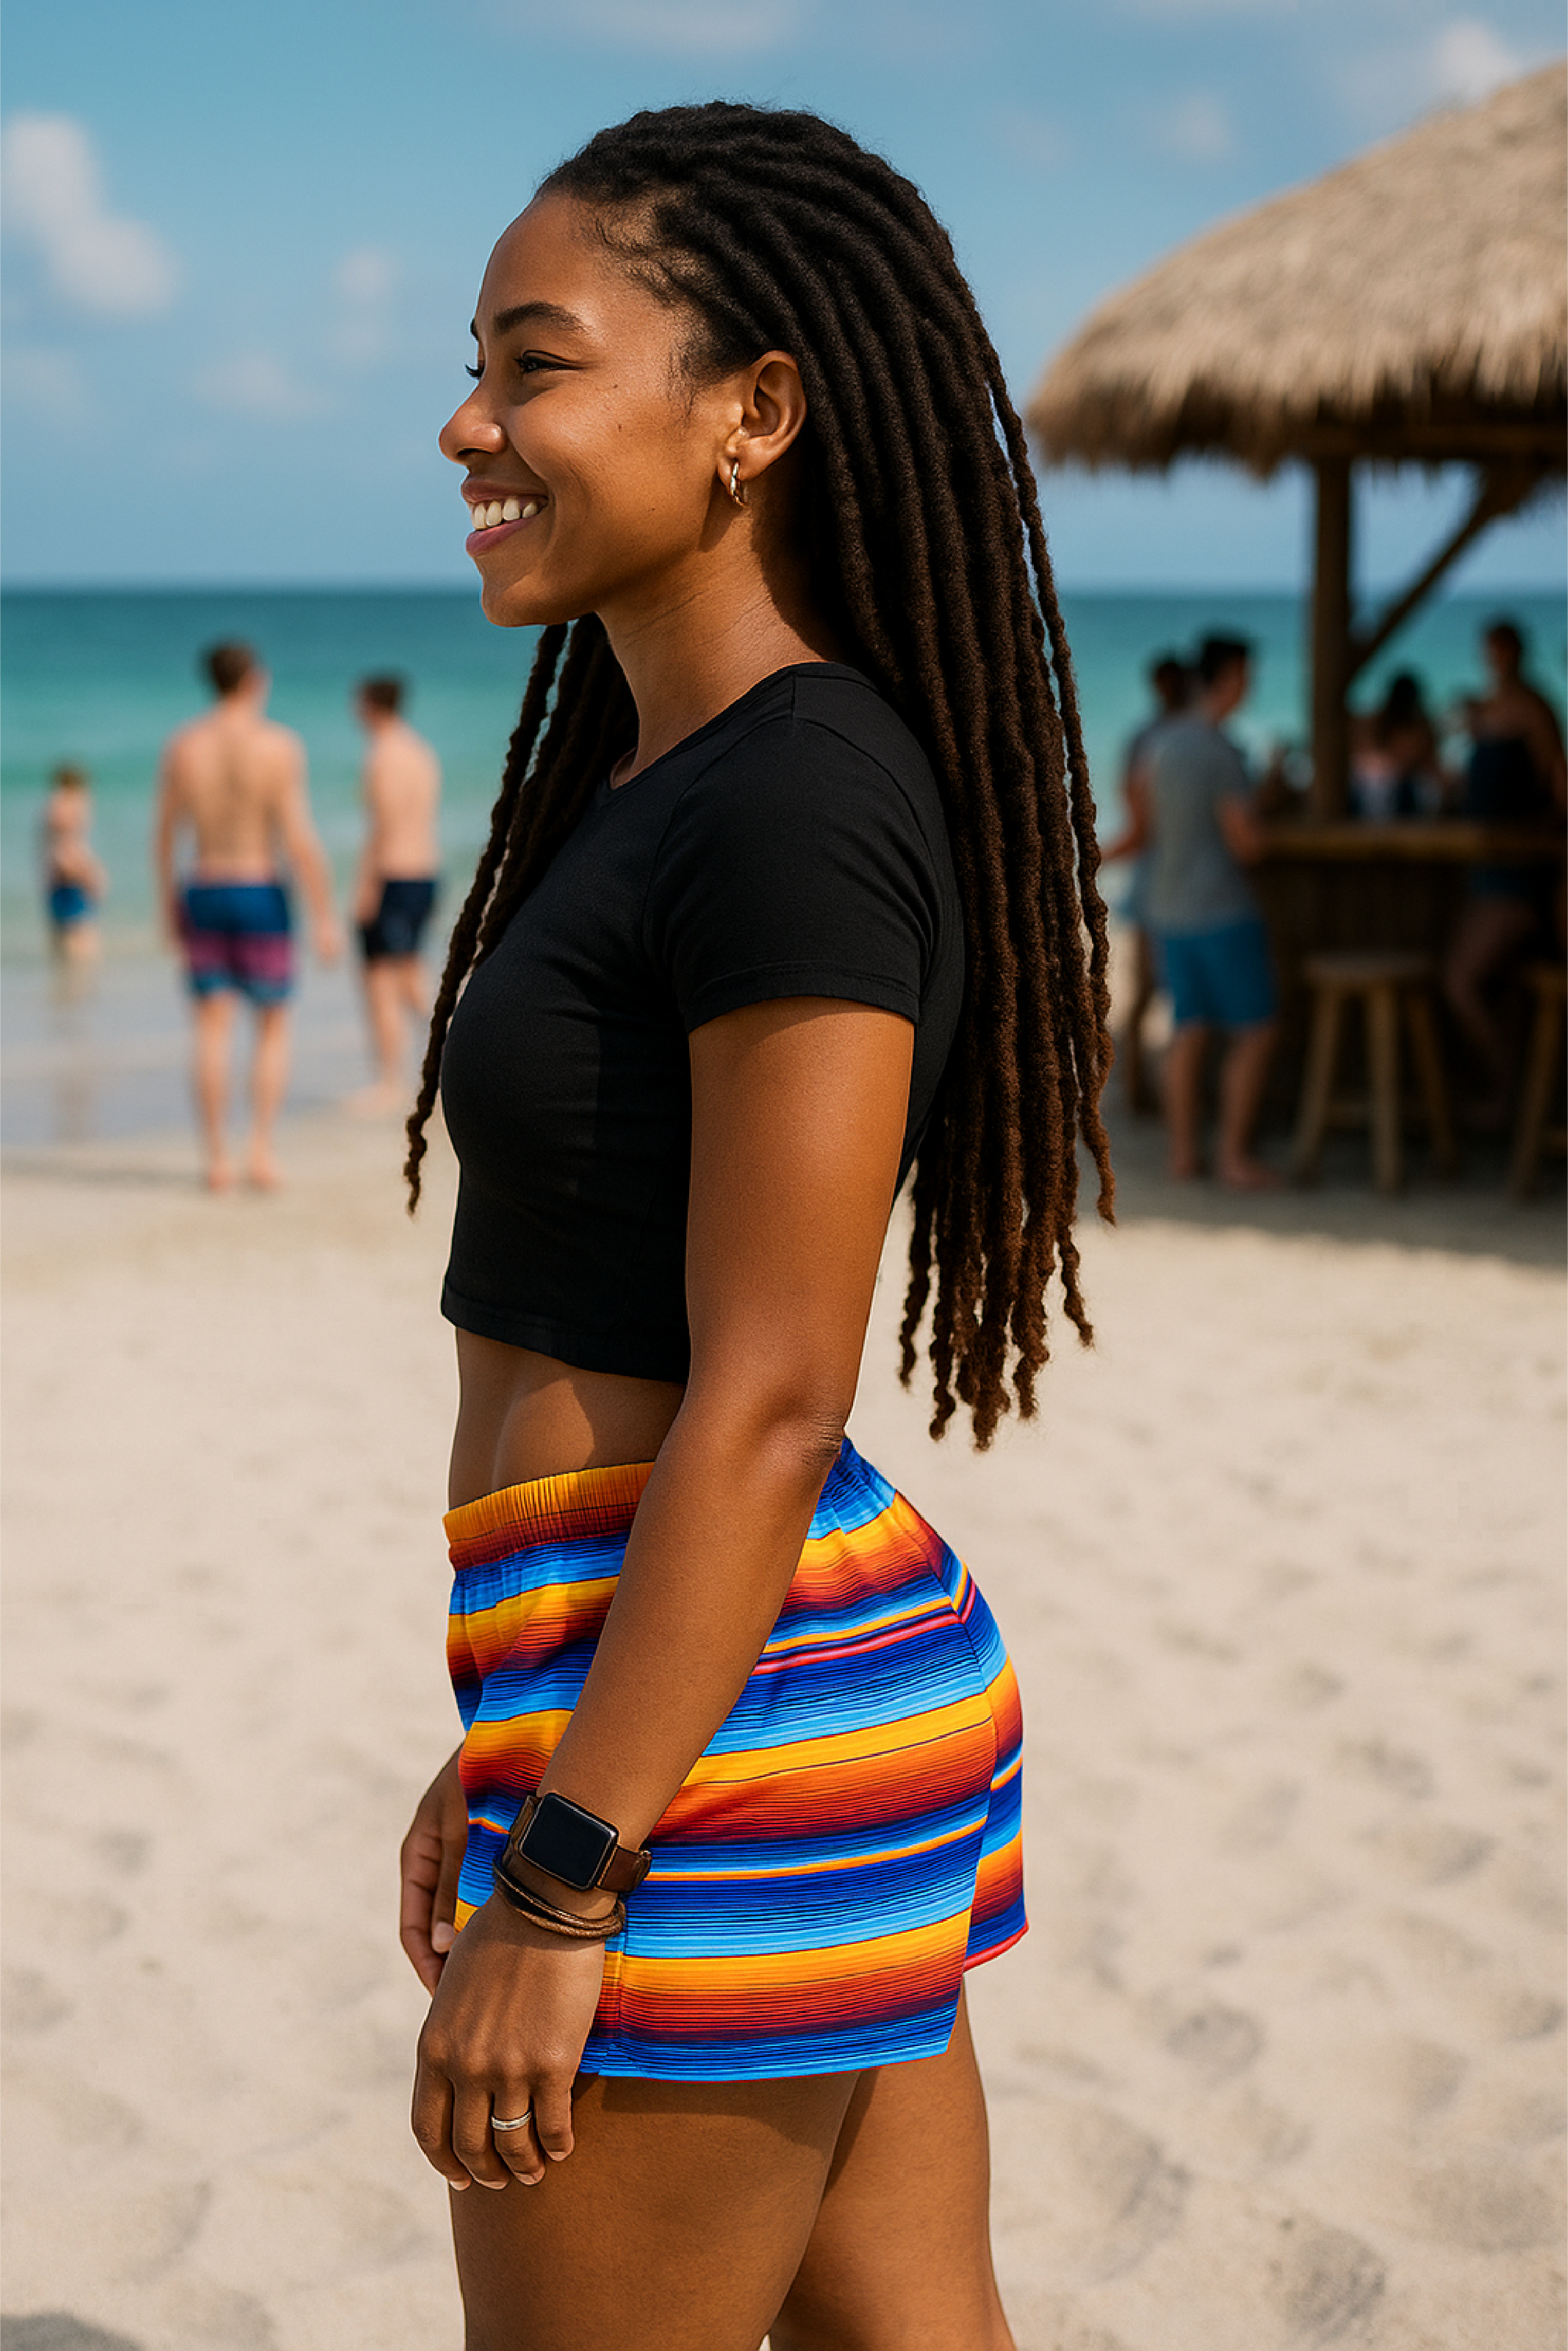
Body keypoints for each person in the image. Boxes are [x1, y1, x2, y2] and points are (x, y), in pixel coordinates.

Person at [394, 101, 1113, 2351]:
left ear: (753, 415)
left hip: (721, 1733)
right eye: (473, 370)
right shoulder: (675, 775)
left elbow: (779, 1387)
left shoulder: (794, 793)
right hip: (710, 1674)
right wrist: (512, 1728)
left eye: (534, 365)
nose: (470, 424)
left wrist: (564, 1869)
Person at [154, 640, 341, 1191]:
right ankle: (260, 1150)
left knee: (211, 1027)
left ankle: (216, 1159)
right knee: (272, 1025)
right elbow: (299, 838)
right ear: (255, 679)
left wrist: (167, 902)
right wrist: (324, 914)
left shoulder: (184, 745)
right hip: (260, 890)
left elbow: (165, 835)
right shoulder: (279, 745)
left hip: (205, 887)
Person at [1130, 633, 1279, 1187]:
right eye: (1246, 676)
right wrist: (1267, 815)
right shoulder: (1222, 751)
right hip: (1221, 908)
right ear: (1230, 676)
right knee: (1255, 1032)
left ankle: (1183, 1153)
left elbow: (1142, 825)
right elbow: (1245, 843)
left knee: (1188, 1030)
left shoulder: (1159, 745)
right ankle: (1233, 1156)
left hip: (1168, 908)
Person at [1442, 618, 1568, 1126]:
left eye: (1502, 649)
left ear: (1517, 651)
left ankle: (1513, 1092)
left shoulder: (1534, 708)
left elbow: (1558, 785)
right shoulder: (1486, 709)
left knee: (1461, 981)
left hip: (1519, 876)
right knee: (1502, 990)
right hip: (1488, 869)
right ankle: (1513, 1094)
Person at [347, 673, 442, 1114]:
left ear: (370, 704)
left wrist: (366, 887)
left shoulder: (381, 755)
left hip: (392, 874)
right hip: (425, 872)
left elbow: (382, 828)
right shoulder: (421, 752)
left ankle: (388, 1082)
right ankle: (451, 1055)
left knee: (382, 983)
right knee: (410, 976)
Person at [1101, 653, 1189, 1111]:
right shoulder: (1180, 737)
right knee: (1167, 995)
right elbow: (1142, 823)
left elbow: (1137, 820)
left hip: (1157, 882)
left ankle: (1140, 1083)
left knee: (1151, 993)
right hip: (1170, 883)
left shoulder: (1149, 739)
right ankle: (1143, 1084)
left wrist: (1094, 859)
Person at [1350, 671, 1445, 821]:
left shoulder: (1421, 726)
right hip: (1382, 787)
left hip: (1410, 788)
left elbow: (1429, 762)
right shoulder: (1378, 723)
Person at [41, 764, 107, 974]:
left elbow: (52, 853)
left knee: (63, 948)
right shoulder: (67, 807)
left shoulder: (53, 807)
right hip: (72, 884)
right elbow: (65, 852)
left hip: (59, 885)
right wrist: (89, 876)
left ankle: (63, 990)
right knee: (82, 951)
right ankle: (74, 991)